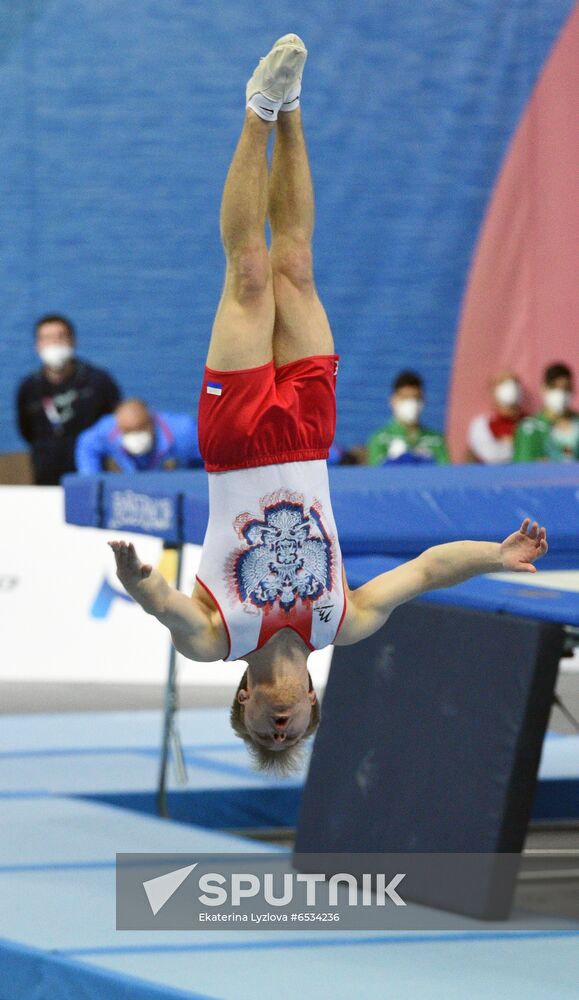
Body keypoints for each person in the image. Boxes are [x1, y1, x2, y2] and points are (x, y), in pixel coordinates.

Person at [109, 35, 548, 774]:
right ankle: (291, 107)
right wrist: (493, 556)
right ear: (312, 703)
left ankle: (256, 111)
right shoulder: (344, 621)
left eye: (264, 730)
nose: (280, 726)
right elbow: (427, 570)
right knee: (298, 266)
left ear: (243, 700)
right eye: (291, 733)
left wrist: (138, 580)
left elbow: (166, 608)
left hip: (238, 440)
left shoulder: (216, 641)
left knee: (250, 274)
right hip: (310, 438)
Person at [16, 314, 121, 484]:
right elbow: (26, 430)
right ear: (38, 345)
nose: (55, 343)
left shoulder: (97, 381)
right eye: (48, 338)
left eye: (61, 336)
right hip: (46, 477)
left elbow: (113, 424)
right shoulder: (29, 387)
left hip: (90, 476)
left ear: (73, 341)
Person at [75, 398, 202, 473]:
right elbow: (86, 445)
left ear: (151, 422)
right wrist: (92, 481)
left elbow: (214, 460)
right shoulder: (106, 430)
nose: (134, 435)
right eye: (127, 430)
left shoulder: (184, 431)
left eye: (140, 427)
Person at [367, 371, 449, 465]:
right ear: (393, 400)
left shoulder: (436, 439)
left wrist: (427, 461)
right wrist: (393, 461)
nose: (412, 403)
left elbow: (446, 474)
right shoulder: (380, 439)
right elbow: (375, 475)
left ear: (423, 400)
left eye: (416, 398)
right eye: (405, 398)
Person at [514, 363, 579, 463]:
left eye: (566, 388)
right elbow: (523, 469)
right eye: (554, 387)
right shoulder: (530, 428)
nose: (560, 393)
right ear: (544, 388)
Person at [466, 371, 525, 464]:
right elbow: (488, 455)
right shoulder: (482, 425)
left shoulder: (530, 423)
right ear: (493, 390)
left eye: (514, 382)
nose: (511, 387)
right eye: (503, 382)